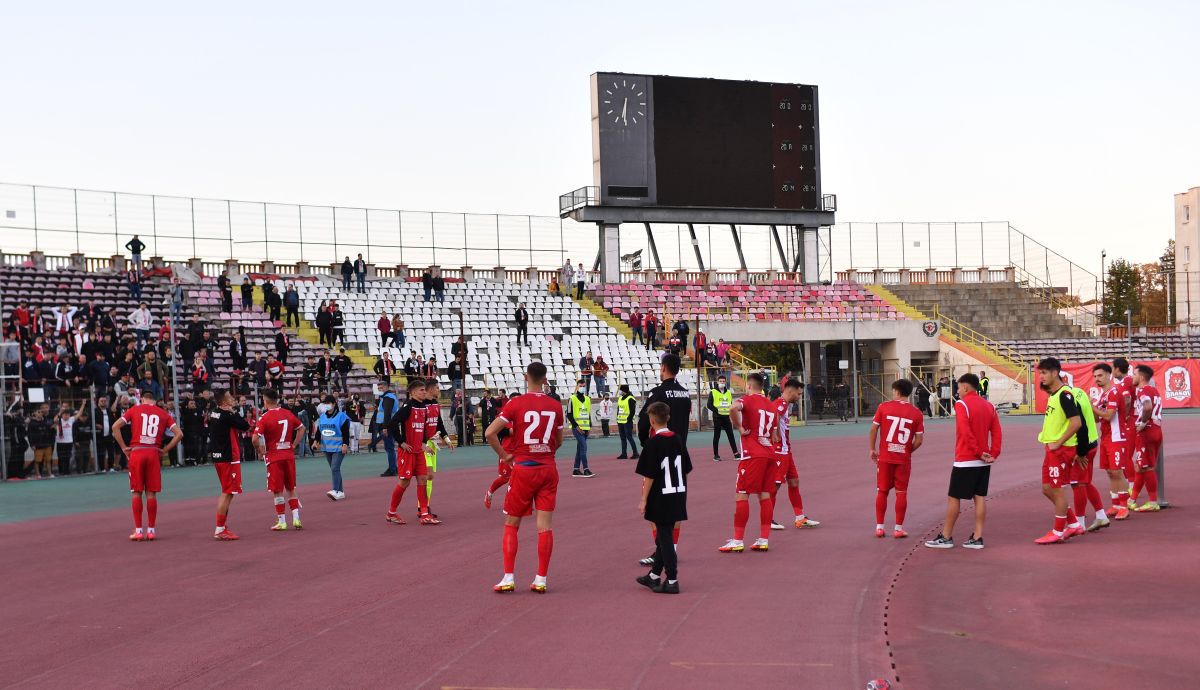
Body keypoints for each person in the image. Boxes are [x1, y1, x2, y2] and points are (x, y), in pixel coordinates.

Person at [484, 362, 565, 593]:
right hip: (548, 468)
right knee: (545, 526)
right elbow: (559, 440)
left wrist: (505, 455)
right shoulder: (555, 405)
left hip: (524, 468)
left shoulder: (515, 403)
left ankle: (509, 577)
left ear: (525, 377)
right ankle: (541, 579)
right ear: (545, 379)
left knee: (512, 523)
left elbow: (490, 432)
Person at [925, 374, 1002, 550]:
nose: (957, 391)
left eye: (959, 388)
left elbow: (965, 432)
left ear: (966, 387)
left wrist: (977, 452)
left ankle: (946, 536)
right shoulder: (989, 405)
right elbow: (996, 432)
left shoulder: (961, 405)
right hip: (983, 462)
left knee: (954, 498)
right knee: (979, 497)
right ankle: (978, 536)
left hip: (966, 459)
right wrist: (992, 453)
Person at [634, 353, 691, 563]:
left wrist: (646, 444)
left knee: (653, 504)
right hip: (679, 453)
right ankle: (671, 549)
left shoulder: (658, 393)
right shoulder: (685, 394)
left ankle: (661, 551)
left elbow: (643, 420)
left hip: (660, 453)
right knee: (675, 503)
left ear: (664, 368)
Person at [1026, 358, 1088, 545]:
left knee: (1057, 490)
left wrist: (1059, 442)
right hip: (1052, 449)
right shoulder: (1054, 395)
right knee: (1047, 488)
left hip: (1061, 450)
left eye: (1044, 373)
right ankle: (1074, 523)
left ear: (1054, 373)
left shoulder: (1064, 395)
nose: (1041, 377)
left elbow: (1076, 423)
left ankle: (1058, 531)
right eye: (1040, 373)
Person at [111, 389, 182, 542]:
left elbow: (115, 427)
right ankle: (151, 530)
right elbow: (179, 434)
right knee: (151, 493)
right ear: (155, 401)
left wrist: (124, 448)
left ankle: (138, 531)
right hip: (153, 453)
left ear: (142, 399)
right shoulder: (163, 414)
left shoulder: (134, 410)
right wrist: (165, 450)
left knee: (136, 492)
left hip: (137, 452)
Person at [635, 401, 690, 595]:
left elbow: (649, 475)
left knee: (664, 537)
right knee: (663, 536)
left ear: (651, 421)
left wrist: (643, 499)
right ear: (668, 418)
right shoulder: (678, 439)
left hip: (661, 495)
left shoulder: (652, 444)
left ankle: (672, 578)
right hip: (678, 491)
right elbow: (686, 469)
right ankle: (654, 575)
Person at [720, 372, 777, 553]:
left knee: (742, 495)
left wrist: (739, 427)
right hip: (769, 453)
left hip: (752, 455)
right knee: (765, 495)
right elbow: (775, 435)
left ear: (749, 386)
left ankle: (737, 540)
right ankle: (763, 539)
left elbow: (732, 408)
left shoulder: (747, 400)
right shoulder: (771, 406)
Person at [869, 380, 924, 538]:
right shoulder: (916, 413)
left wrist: (872, 449)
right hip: (903, 459)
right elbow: (919, 440)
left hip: (885, 457)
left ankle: (880, 527)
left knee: (882, 490)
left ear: (897, 392)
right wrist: (906, 451)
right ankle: (898, 529)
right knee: (901, 493)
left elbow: (873, 428)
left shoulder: (884, 407)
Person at [384, 379, 439, 525]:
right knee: (405, 482)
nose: (424, 392)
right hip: (407, 452)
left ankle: (425, 514)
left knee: (423, 479)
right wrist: (401, 442)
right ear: (413, 392)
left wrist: (423, 443)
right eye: (422, 390)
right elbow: (392, 424)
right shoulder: (408, 406)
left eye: (424, 390)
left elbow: (424, 429)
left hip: (418, 451)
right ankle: (391, 513)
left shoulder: (423, 408)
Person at [769, 378, 820, 531]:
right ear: (789, 391)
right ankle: (767, 518)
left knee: (794, 481)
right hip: (780, 450)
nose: (799, 397)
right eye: (798, 394)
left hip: (786, 450)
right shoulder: (781, 403)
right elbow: (774, 416)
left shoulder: (786, 404)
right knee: (775, 484)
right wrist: (775, 432)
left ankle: (800, 518)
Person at [254, 389, 305, 530]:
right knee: (291, 487)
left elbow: (254, 438)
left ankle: (282, 521)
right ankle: (296, 518)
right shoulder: (288, 413)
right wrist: (293, 445)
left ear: (265, 400)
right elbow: (302, 428)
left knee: (277, 490)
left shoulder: (264, 418)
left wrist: (259, 449)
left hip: (274, 457)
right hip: (288, 455)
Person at [206, 389, 251, 541]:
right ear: (224, 402)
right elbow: (245, 426)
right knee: (227, 492)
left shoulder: (214, 413)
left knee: (227, 491)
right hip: (229, 457)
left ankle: (222, 526)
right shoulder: (227, 415)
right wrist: (233, 412)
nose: (233, 399)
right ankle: (219, 529)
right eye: (229, 397)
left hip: (219, 457)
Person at [1091, 363, 1132, 520]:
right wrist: (1091, 410)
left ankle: (1124, 506)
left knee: (1117, 471)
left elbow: (1108, 416)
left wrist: (1091, 406)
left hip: (1117, 437)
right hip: (1107, 437)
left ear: (1109, 375)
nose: (1097, 379)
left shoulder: (1114, 392)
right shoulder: (1103, 395)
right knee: (1110, 471)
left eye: (1100, 375)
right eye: (1095, 376)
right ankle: (1115, 504)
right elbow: (1097, 418)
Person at [1131, 364, 1163, 512]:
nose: (1133, 377)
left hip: (1147, 432)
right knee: (1140, 466)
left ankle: (1152, 501)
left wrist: (1143, 423)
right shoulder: (1154, 390)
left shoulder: (1143, 390)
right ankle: (1132, 500)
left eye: (1134, 374)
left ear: (1142, 377)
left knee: (1146, 466)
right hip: (1156, 430)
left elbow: (1147, 406)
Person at [422, 378, 455, 506]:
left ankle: (425, 506)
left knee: (430, 478)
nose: (439, 390)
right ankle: (423, 507)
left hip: (433, 444)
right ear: (430, 389)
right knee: (427, 476)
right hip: (423, 445)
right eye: (437, 388)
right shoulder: (420, 405)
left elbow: (439, 424)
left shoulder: (435, 404)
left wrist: (446, 439)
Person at [314, 395, 350, 500]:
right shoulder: (322, 417)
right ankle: (341, 492)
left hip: (339, 447)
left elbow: (346, 433)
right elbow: (318, 431)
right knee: (335, 469)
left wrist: (345, 445)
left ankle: (335, 490)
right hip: (326, 447)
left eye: (328, 403)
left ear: (334, 404)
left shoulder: (341, 416)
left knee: (335, 468)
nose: (326, 405)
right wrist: (316, 441)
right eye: (324, 403)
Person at [484, 403, 520, 509]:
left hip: (519, 450)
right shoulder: (504, 417)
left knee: (521, 477)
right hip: (507, 450)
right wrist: (510, 431)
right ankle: (489, 493)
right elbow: (496, 432)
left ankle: (515, 502)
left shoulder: (524, 415)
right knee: (505, 478)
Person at [567, 380, 594, 477]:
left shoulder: (587, 399)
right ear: (577, 386)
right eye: (580, 386)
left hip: (586, 428)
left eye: (583, 386)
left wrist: (589, 427)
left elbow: (588, 414)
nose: (582, 387)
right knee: (584, 447)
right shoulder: (572, 399)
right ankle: (586, 469)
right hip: (577, 428)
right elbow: (569, 415)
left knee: (579, 449)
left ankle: (576, 469)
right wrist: (577, 427)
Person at [708, 375, 737, 462]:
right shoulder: (713, 392)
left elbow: (730, 404)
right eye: (720, 381)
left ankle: (736, 453)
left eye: (723, 381)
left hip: (726, 417)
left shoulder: (728, 392)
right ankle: (716, 455)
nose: (722, 383)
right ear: (717, 382)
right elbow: (709, 405)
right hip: (717, 417)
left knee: (731, 435)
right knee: (717, 436)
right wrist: (717, 411)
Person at [376, 381, 400, 476]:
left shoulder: (387, 398)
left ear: (386, 387)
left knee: (389, 448)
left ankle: (392, 469)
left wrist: (385, 427)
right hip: (392, 424)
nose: (379, 390)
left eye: (381, 388)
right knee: (390, 448)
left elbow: (387, 413)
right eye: (378, 388)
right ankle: (394, 467)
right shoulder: (389, 397)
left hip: (388, 425)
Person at [615, 384, 639, 459]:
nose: (620, 391)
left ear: (624, 390)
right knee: (622, 438)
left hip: (627, 421)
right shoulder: (620, 398)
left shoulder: (630, 398)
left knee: (629, 437)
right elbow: (618, 409)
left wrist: (628, 419)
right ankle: (624, 454)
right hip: (620, 421)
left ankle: (635, 453)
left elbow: (632, 411)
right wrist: (618, 418)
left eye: (621, 390)